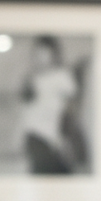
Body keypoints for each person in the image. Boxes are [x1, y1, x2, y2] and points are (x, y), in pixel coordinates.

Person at [20, 36, 82, 175]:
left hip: (55, 133)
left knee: (61, 172)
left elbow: (71, 105)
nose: (41, 57)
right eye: (38, 53)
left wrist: (64, 136)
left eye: (45, 53)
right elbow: (26, 106)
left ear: (54, 54)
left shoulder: (62, 76)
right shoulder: (32, 77)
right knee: (41, 171)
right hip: (35, 133)